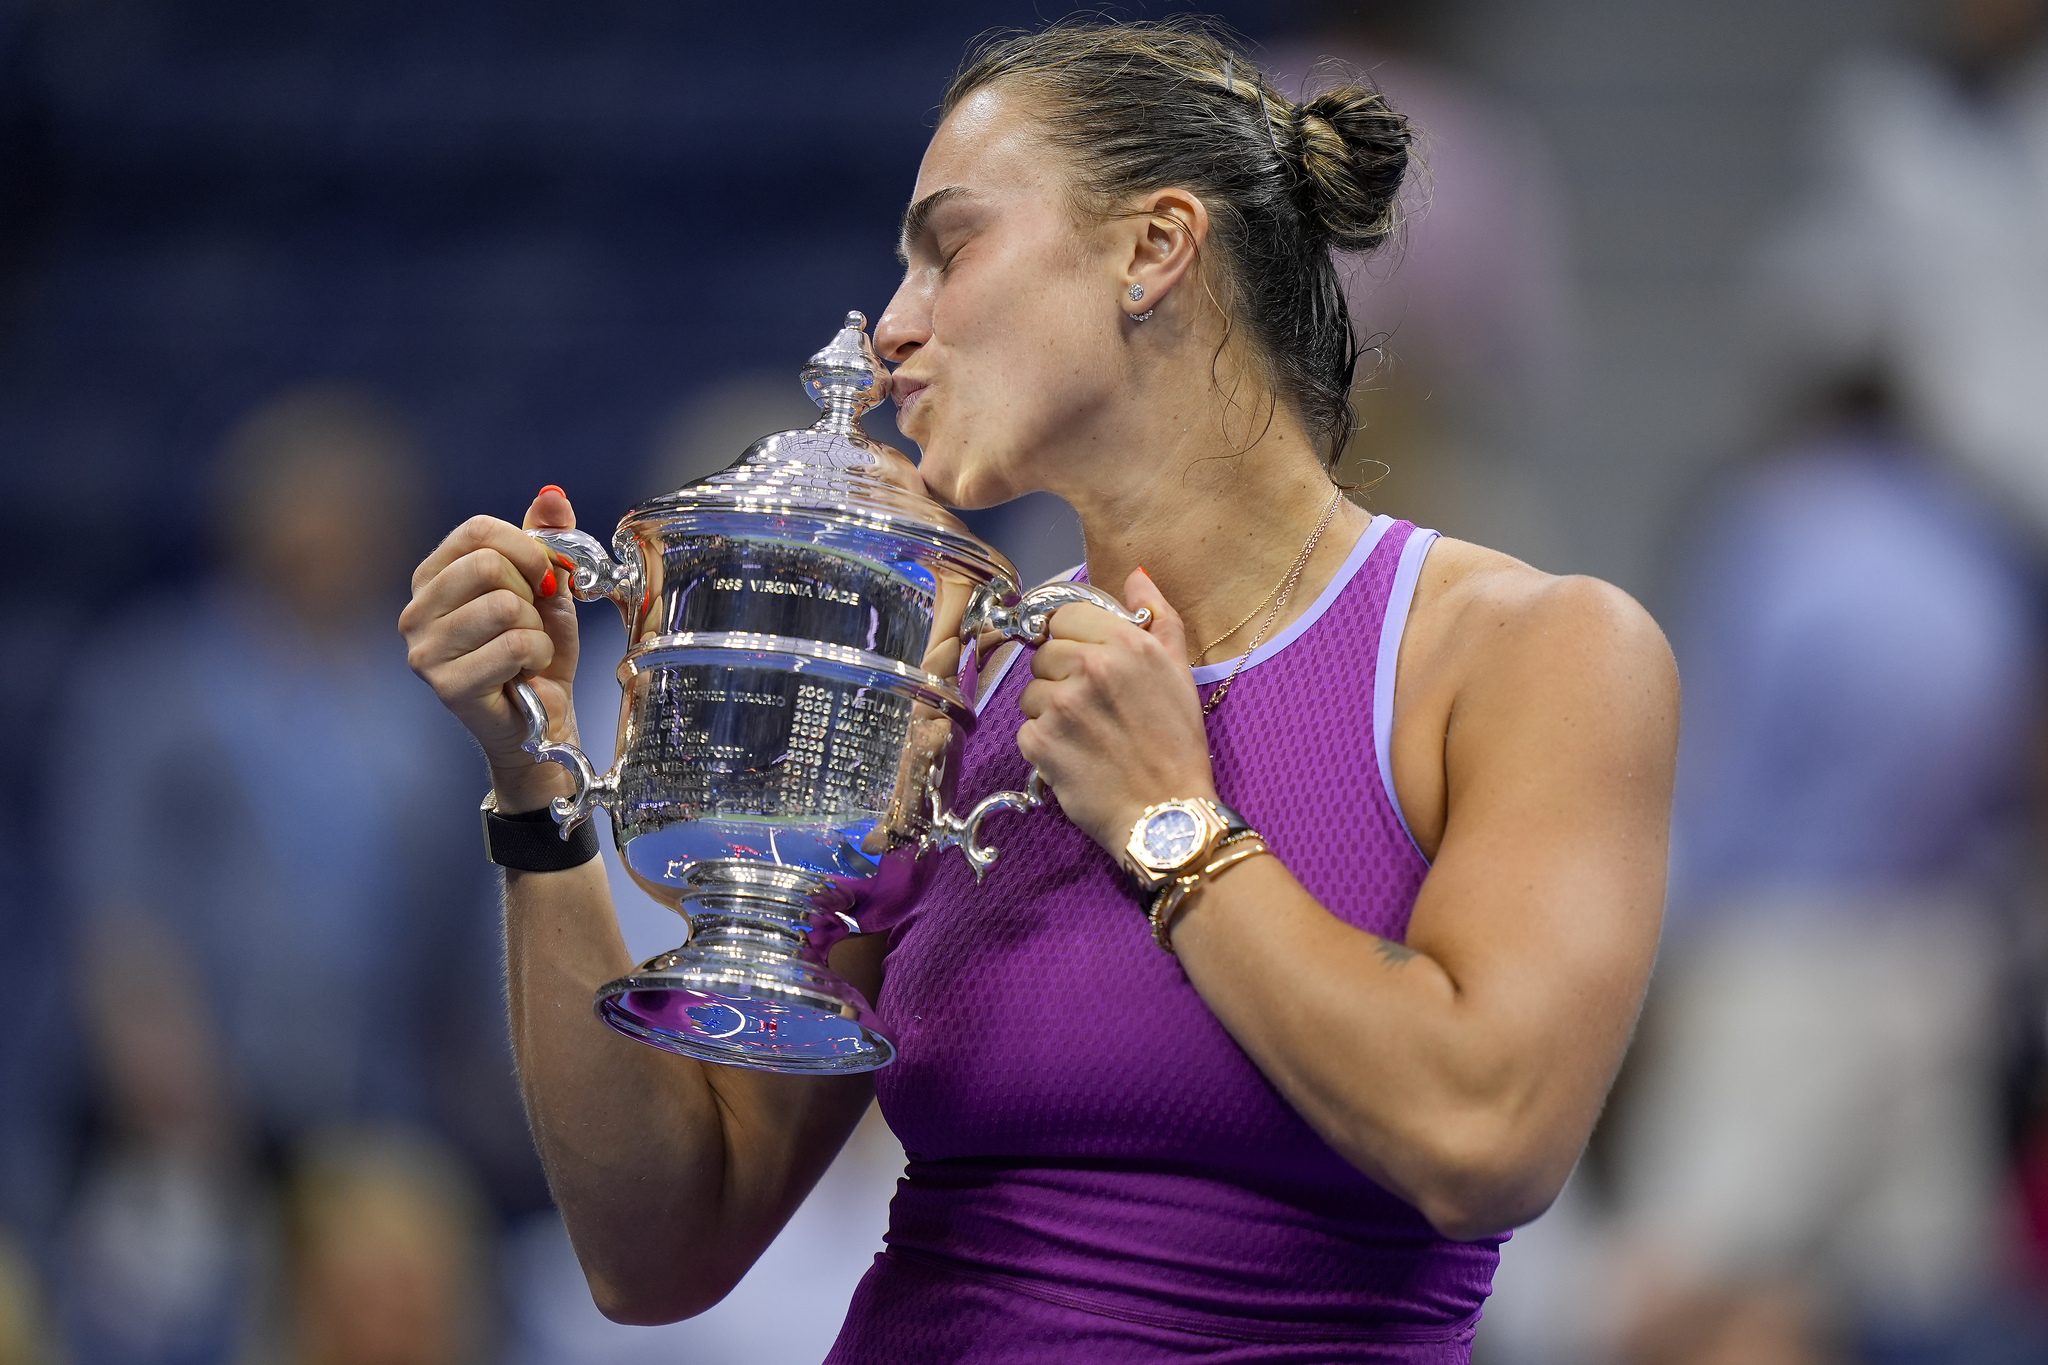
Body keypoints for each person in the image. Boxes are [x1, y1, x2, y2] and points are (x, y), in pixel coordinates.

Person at [399, 19, 1676, 1360]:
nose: (889, 330)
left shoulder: (1535, 652)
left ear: (1153, 249)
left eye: (950, 248)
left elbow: (1487, 1139)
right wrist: (534, 782)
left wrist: (1171, 826)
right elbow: (659, 1245)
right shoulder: (952, 682)